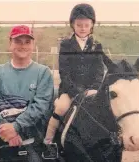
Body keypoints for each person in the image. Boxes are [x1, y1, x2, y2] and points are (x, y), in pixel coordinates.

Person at [0, 25, 54, 162]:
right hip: (0, 145)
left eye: (27, 42)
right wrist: (8, 133)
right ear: (10, 44)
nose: (23, 46)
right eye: (18, 41)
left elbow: (41, 107)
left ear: (33, 45)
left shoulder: (42, 73)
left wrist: (16, 127)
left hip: (31, 146)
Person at [44, 3, 106, 145]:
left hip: (91, 89)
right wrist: (75, 92)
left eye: (86, 25)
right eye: (79, 25)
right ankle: (48, 142)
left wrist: (94, 88)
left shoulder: (97, 45)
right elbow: (64, 72)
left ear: (91, 25)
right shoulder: (66, 44)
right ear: (73, 25)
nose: (83, 28)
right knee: (61, 107)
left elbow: (99, 71)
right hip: (70, 89)